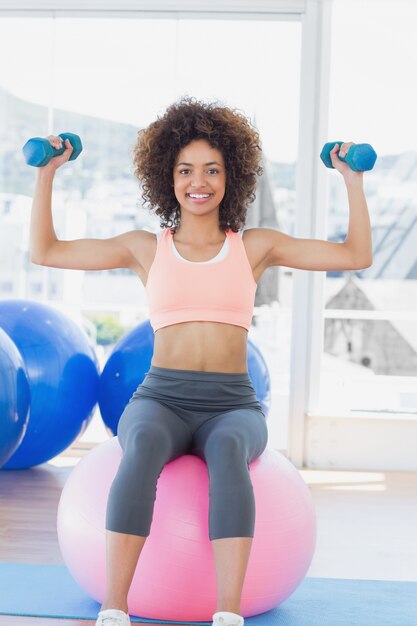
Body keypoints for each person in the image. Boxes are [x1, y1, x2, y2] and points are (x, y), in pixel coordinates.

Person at [30, 95, 372, 626]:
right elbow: (47, 252)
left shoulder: (254, 246)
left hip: (231, 403)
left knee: (231, 450)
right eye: (186, 169)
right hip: (161, 397)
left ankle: (227, 613)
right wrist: (47, 174)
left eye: (212, 170)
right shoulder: (145, 248)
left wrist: (352, 179)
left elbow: (354, 256)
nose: (199, 181)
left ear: (230, 177)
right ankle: (114, 608)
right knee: (139, 445)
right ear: (167, 176)